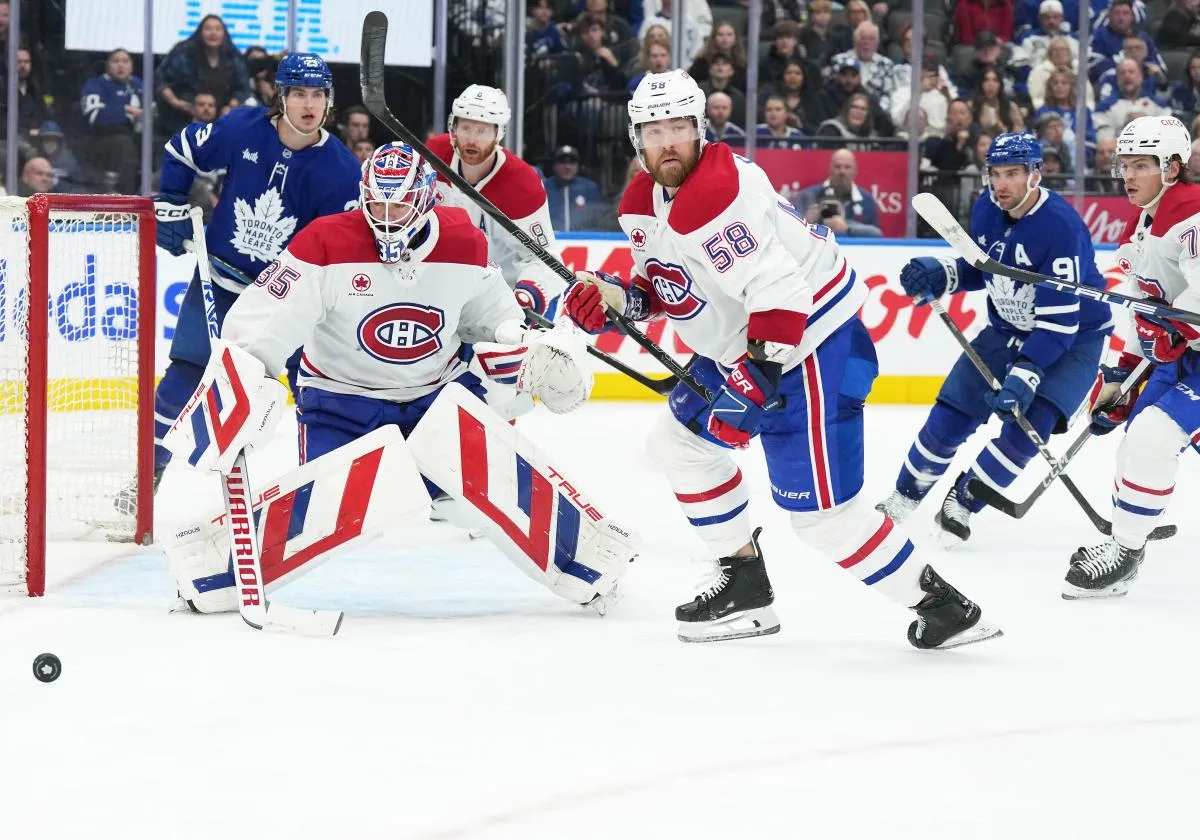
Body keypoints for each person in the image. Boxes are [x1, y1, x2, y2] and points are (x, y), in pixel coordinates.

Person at [561, 69, 1001, 650]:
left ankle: (946, 610)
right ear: (635, 138)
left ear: (699, 129)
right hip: (749, 343)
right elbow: (667, 284)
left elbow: (782, 295)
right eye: (653, 129)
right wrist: (621, 298)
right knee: (678, 445)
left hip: (811, 345)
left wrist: (755, 380)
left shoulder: (715, 196)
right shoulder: (646, 197)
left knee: (824, 519)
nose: (666, 141)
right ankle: (744, 582)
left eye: (678, 126)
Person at [166, 142, 615, 613]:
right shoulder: (325, 242)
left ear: (424, 200)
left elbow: (490, 320)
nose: (385, 216)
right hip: (341, 401)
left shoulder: (464, 242)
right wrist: (239, 389)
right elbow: (260, 326)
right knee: (330, 507)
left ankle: (593, 560)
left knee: (491, 479)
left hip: (433, 399)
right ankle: (209, 565)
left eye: (398, 203)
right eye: (376, 203)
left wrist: (528, 349)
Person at [876, 133, 1112, 545]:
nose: (1002, 184)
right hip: (1006, 328)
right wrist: (944, 273)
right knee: (950, 417)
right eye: (996, 174)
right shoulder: (987, 208)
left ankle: (964, 502)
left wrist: (1028, 372)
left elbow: (1059, 323)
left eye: (1013, 174)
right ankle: (905, 495)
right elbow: (984, 268)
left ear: (1035, 174)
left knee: (1026, 430)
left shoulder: (1061, 227)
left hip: (1074, 340)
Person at [146, 53, 362, 498]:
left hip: (285, 302)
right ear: (280, 97)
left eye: (318, 94)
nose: (309, 104)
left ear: (329, 101)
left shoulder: (341, 171)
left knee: (309, 391)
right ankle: (147, 473)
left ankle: (317, 486)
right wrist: (169, 202)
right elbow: (183, 149)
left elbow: (337, 248)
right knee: (183, 377)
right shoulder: (243, 128)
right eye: (299, 93)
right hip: (220, 280)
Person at [1066, 116, 1199, 597]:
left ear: (1171, 167)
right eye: (1125, 165)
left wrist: (1176, 329)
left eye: (1141, 165)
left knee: (1150, 436)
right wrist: (1119, 375)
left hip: (1193, 355)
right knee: (1135, 445)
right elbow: (1140, 301)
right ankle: (1127, 548)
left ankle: (1125, 549)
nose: (1128, 176)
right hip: (1183, 359)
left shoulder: (1193, 214)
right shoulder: (1145, 218)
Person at [425, 84, 566, 317]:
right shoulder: (432, 156)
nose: (471, 139)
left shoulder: (522, 184)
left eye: (482, 131)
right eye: (466, 128)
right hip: (450, 289)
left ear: (498, 133)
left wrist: (526, 295)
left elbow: (546, 259)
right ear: (453, 126)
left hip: (506, 294)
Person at [156, 14, 251, 136]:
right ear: (200, 32)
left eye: (217, 29)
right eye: (208, 29)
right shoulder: (183, 51)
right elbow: (160, 79)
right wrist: (175, 102)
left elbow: (243, 86)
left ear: (224, 33)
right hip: (181, 118)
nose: (213, 33)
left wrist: (231, 105)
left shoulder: (233, 55)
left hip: (221, 118)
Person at [80, 47, 144, 194]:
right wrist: (125, 110)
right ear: (107, 66)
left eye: (125, 61)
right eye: (115, 61)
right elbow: (93, 114)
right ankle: (122, 193)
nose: (121, 65)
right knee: (124, 144)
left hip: (135, 136)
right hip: (102, 139)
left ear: (132, 66)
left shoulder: (137, 85)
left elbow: (151, 113)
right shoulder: (96, 84)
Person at [542, 144, 603, 231]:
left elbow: (598, 220)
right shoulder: (544, 188)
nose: (567, 167)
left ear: (578, 166)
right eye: (562, 162)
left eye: (572, 162)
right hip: (551, 241)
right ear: (554, 166)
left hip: (582, 241)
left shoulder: (590, 188)